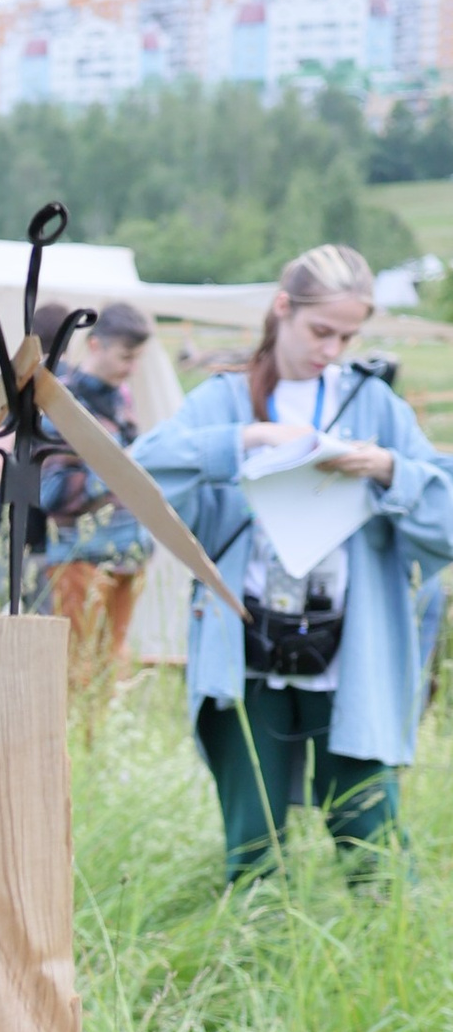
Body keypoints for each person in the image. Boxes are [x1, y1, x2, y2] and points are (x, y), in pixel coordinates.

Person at [137, 242, 453, 882]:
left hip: (350, 654)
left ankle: (383, 959)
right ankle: (252, 956)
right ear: (282, 308)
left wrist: (390, 469)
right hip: (247, 645)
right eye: (320, 330)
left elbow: (445, 514)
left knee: (372, 837)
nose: (331, 348)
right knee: (252, 844)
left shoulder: (374, 406)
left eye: (347, 335)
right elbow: (141, 473)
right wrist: (245, 441)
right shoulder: (222, 402)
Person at [33, 297, 156, 694]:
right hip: (81, 558)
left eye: (138, 359)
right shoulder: (62, 402)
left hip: (128, 554)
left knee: (111, 665)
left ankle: (95, 749)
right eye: (125, 357)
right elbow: (51, 492)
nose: (131, 369)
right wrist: (116, 470)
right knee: (74, 670)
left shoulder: (121, 399)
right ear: (96, 345)